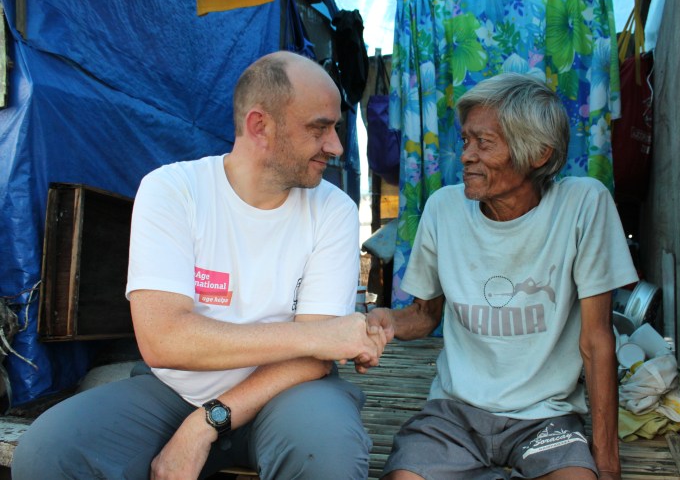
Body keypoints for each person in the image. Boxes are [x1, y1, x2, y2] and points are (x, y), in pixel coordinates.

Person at [12, 51, 388, 479]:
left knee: (326, 451)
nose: (336, 146)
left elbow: (317, 358)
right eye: (319, 128)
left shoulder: (332, 209)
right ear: (259, 126)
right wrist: (315, 337)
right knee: (49, 451)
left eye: (335, 128)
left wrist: (207, 422)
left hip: (287, 393)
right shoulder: (173, 191)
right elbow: (164, 340)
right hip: (174, 392)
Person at [367, 73, 638, 480]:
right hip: (454, 414)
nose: (465, 156)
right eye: (465, 141)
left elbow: (597, 341)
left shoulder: (583, 205)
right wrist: (387, 320)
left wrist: (608, 466)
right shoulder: (444, 209)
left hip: (547, 418)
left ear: (539, 154)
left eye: (484, 143)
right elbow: (425, 315)